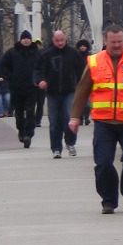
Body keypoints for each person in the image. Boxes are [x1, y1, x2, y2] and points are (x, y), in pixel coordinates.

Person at [69, 24, 123, 214]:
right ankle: (108, 201)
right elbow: (82, 91)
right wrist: (75, 117)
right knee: (103, 163)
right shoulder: (94, 61)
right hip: (104, 123)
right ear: (105, 41)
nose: (117, 45)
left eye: (120, 42)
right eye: (113, 42)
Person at [34, 30, 82, 159]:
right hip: (52, 92)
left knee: (69, 118)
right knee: (54, 121)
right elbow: (38, 70)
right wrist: (41, 80)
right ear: (53, 40)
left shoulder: (73, 54)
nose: (60, 43)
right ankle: (56, 148)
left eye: (62, 40)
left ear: (65, 39)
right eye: (57, 40)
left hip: (69, 91)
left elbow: (81, 71)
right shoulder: (46, 55)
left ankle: (70, 142)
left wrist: (80, 86)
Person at [0, 30, 40, 148]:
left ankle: (29, 134)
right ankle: (21, 131)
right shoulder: (12, 52)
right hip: (16, 87)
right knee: (18, 112)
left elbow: (43, 66)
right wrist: (9, 77)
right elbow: (3, 65)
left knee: (30, 111)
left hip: (32, 87)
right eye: (24, 38)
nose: (26, 40)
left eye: (28, 38)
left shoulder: (36, 53)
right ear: (20, 40)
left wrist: (39, 79)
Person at [75, 39, 92, 125]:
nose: (82, 47)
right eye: (81, 46)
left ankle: (86, 117)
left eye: (84, 46)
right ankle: (80, 118)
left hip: (88, 81)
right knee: (80, 101)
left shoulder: (90, 57)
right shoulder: (75, 56)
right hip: (78, 81)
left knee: (88, 103)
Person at [33, 38, 46, 127]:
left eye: (39, 44)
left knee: (40, 103)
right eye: (36, 44)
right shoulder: (30, 55)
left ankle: (38, 120)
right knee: (31, 103)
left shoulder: (44, 56)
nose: (37, 46)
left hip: (41, 82)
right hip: (32, 83)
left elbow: (45, 70)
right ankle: (32, 119)